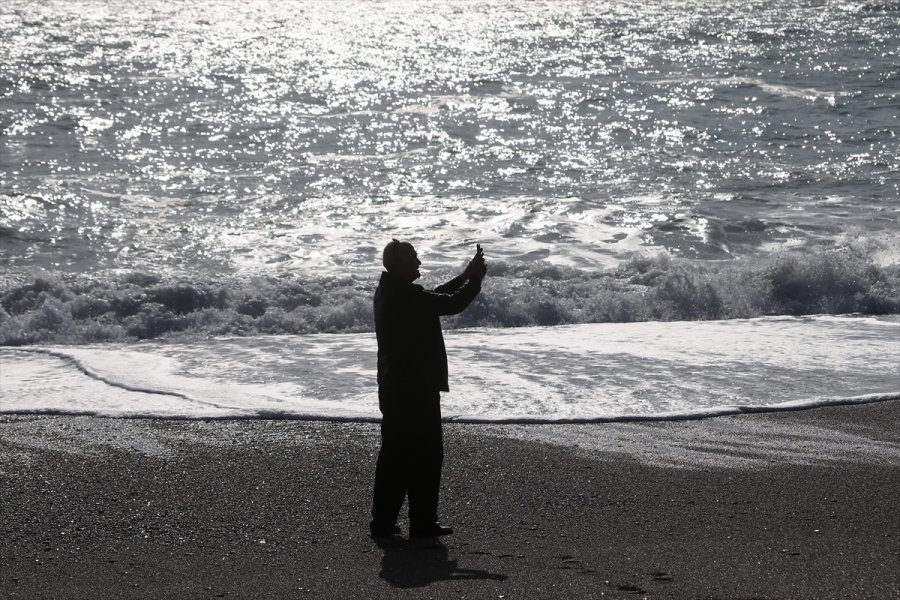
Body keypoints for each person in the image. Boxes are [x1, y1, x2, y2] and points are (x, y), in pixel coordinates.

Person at [370, 239, 487, 539]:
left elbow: (433, 296)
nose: (419, 263)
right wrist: (474, 281)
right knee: (423, 455)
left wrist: (464, 276)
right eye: (413, 258)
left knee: (398, 456)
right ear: (398, 264)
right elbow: (450, 303)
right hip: (412, 390)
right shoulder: (404, 296)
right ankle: (418, 523)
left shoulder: (393, 291)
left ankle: (388, 523)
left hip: (399, 387)